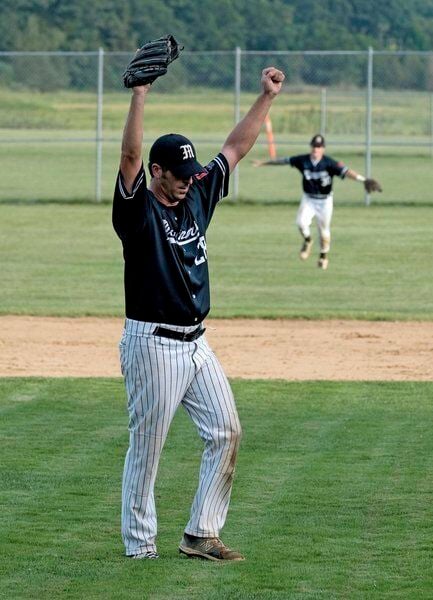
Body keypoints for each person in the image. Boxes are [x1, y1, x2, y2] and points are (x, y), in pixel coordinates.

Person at [112, 66, 285, 561]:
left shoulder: (197, 195)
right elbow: (128, 157)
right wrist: (140, 95)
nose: (189, 182)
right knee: (147, 451)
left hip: (196, 343)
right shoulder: (138, 212)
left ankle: (200, 535)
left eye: (192, 175)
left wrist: (265, 98)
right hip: (153, 344)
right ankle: (140, 550)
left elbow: (233, 150)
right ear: (158, 171)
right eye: (178, 175)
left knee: (226, 431)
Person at [255, 134, 378, 270]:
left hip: (325, 201)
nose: (316, 149)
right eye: (314, 146)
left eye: (319, 146)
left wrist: (363, 179)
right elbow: (284, 161)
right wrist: (263, 163)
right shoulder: (303, 160)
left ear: (323, 149)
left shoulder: (329, 163)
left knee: (324, 230)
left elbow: (347, 172)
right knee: (301, 223)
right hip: (309, 198)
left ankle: (323, 256)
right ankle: (308, 240)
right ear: (311, 147)